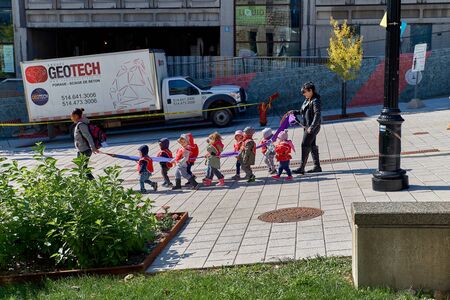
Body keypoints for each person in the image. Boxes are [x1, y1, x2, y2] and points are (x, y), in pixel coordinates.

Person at [289, 82, 322, 175]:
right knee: (312, 145)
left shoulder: (315, 100)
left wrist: (312, 127)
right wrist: (294, 112)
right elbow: (302, 111)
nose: (303, 94)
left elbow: (317, 114)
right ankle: (317, 166)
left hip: (312, 127)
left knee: (304, 145)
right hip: (307, 126)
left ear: (310, 90)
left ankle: (301, 168)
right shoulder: (307, 99)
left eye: (304, 92)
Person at [71, 108, 98, 180]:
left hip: (84, 149)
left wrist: (93, 147)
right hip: (81, 149)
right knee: (82, 167)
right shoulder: (79, 124)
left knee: (83, 167)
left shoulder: (81, 125)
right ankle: (87, 181)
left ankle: (92, 181)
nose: (71, 118)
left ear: (76, 116)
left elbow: (88, 136)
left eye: (72, 116)